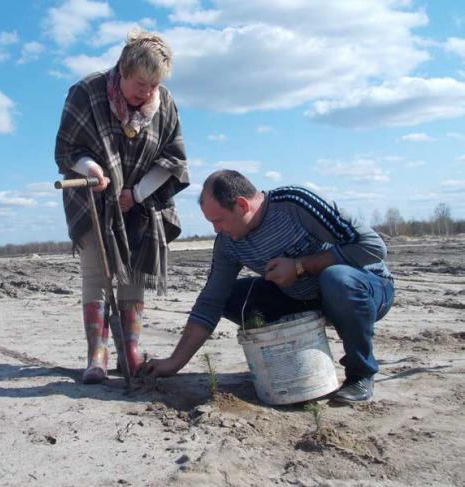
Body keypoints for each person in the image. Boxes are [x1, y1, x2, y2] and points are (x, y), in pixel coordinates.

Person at [142, 170, 395, 403]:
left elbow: (373, 247)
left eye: (219, 220)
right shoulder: (228, 243)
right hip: (304, 301)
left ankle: (360, 374)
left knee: (337, 279)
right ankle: (294, 358)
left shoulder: (295, 204)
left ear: (241, 205)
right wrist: (174, 363)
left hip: (365, 288)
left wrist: (300, 266)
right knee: (232, 297)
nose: (216, 229)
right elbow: (210, 301)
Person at [55, 31, 189, 384]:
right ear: (123, 68)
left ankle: (129, 349)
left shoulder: (165, 103)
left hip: (142, 204)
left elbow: (172, 159)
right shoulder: (87, 92)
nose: (145, 93)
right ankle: (96, 355)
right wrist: (91, 169)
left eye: (153, 85)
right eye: (140, 83)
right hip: (93, 199)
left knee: (133, 276)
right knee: (97, 275)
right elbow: (68, 150)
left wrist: (138, 193)